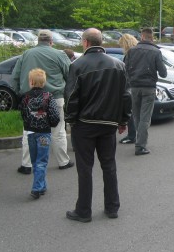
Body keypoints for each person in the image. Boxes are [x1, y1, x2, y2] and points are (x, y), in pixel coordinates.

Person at [64, 28, 132, 223]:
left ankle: (84, 210)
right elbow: (126, 96)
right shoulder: (118, 65)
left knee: (85, 168)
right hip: (109, 124)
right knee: (109, 165)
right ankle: (112, 207)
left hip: (84, 124)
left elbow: (71, 97)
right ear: (100, 42)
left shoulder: (78, 65)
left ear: (85, 43)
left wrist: (71, 119)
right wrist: (123, 119)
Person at [12, 29, 74, 173]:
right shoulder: (60, 55)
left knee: (28, 130)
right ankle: (63, 161)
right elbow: (70, 76)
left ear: (37, 41)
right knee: (58, 131)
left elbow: (15, 76)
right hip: (55, 97)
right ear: (51, 41)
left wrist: (19, 94)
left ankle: (27, 164)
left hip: (30, 98)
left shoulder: (26, 54)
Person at [18, 69, 61, 199]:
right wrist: (50, 124)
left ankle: (41, 185)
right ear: (44, 82)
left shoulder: (25, 97)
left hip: (30, 132)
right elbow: (55, 115)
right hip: (44, 133)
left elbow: (23, 114)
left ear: (30, 82)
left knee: (35, 159)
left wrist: (28, 123)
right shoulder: (49, 96)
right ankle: (37, 188)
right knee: (42, 160)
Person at [124, 28, 167, 155]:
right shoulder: (156, 52)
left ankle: (139, 140)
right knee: (145, 117)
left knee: (137, 116)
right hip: (149, 87)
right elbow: (163, 73)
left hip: (134, 87)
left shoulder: (131, 51)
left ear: (141, 37)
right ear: (152, 38)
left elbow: (125, 69)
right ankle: (140, 145)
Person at [118, 33, 138, 144]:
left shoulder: (130, 54)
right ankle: (137, 135)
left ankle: (131, 136)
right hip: (140, 85)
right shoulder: (139, 52)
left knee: (130, 113)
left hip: (130, 86)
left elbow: (126, 72)